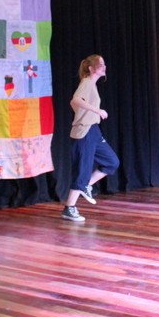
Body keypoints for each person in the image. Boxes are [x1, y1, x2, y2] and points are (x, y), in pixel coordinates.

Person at [62, 55, 120, 222]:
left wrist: (90, 112)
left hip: (94, 131)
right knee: (83, 170)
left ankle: (87, 185)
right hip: (85, 131)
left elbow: (75, 103)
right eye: (100, 64)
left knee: (111, 162)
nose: (104, 67)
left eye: (104, 64)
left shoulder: (91, 85)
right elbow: (75, 100)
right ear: (91, 68)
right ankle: (69, 208)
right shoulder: (87, 82)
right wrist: (97, 111)